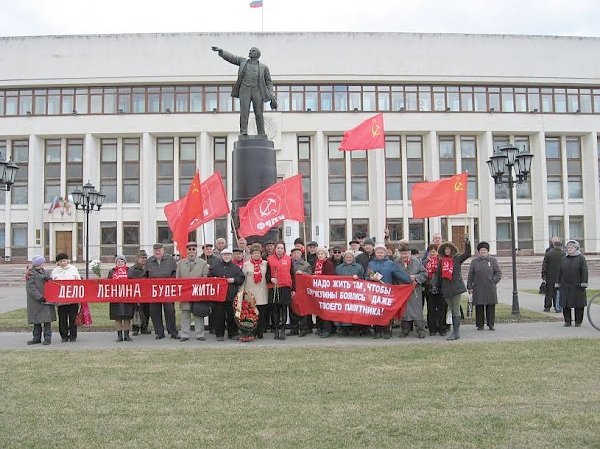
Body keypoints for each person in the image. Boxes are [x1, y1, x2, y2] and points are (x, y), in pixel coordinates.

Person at [211, 46, 277, 136]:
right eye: (250, 50)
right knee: (244, 111)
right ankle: (243, 131)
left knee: (259, 113)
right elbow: (232, 58)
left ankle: (261, 132)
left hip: (257, 91)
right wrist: (222, 52)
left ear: (257, 54)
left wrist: (271, 93)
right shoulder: (243, 61)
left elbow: (269, 82)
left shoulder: (264, 67)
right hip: (245, 89)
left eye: (252, 51)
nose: (250, 52)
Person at [366, 244, 412, 339]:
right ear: (375, 253)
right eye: (378, 252)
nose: (380, 254)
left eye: (381, 252)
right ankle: (377, 330)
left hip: (387, 291)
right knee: (375, 311)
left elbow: (398, 273)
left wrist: (409, 280)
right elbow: (367, 276)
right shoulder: (371, 264)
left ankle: (387, 330)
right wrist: (371, 278)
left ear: (385, 253)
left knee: (386, 311)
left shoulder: (390, 263)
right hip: (375, 291)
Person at [433, 238, 471, 341]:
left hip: (456, 288)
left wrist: (467, 243)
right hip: (446, 289)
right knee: (451, 310)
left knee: (455, 310)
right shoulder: (441, 261)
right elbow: (438, 275)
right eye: (445, 249)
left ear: (452, 250)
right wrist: (435, 286)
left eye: (449, 249)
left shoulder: (457, 259)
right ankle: (454, 331)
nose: (447, 251)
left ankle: (456, 332)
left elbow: (467, 254)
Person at [176, 241, 210, 342]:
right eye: (189, 249)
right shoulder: (181, 263)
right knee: (185, 313)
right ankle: (185, 334)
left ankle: (200, 334)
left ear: (196, 250)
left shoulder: (203, 263)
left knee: (198, 314)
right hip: (185, 292)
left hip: (197, 292)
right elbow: (177, 278)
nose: (191, 251)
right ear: (186, 251)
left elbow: (205, 277)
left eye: (193, 249)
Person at [209, 248, 245, 341]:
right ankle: (219, 334)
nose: (227, 256)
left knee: (232, 315)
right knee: (219, 315)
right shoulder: (215, 267)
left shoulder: (236, 267)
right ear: (221, 256)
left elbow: (241, 278)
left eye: (228, 255)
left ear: (231, 256)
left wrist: (233, 280)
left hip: (231, 295)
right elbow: (209, 278)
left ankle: (233, 333)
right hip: (218, 296)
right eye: (225, 255)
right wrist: (215, 279)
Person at [144, 243, 178, 340]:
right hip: (154, 291)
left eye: (159, 250)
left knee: (170, 311)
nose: (157, 252)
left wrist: (169, 283)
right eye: (155, 250)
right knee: (155, 312)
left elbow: (175, 273)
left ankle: (173, 332)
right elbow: (145, 275)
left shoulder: (170, 259)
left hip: (167, 290)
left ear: (163, 250)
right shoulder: (149, 261)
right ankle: (159, 332)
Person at [467, 241, 502, 331]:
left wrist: (493, 281)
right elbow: (470, 274)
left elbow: (498, 273)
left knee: (490, 306)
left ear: (487, 251)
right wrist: (469, 286)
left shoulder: (493, 260)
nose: (483, 252)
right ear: (479, 251)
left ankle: (491, 324)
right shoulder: (474, 261)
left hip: (490, 287)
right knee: (479, 306)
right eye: (481, 250)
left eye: (484, 250)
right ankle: (480, 325)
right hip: (478, 287)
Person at [396, 243, 428, 338]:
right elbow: (394, 275)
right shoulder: (396, 262)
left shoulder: (417, 261)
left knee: (416, 310)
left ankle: (420, 330)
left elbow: (424, 274)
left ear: (409, 253)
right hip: (402, 290)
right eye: (402, 254)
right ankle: (405, 330)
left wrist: (416, 278)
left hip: (415, 290)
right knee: (404, 310)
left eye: (406, 253)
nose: (404, 256)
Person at [556, 240, 588, 327]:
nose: (569, 249)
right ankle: (567, 321)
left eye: (571, 247)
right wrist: (558, 282)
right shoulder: (564, 258)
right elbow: (559, 271)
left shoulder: (581, 258)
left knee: (579, 305)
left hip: (577, 286)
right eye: (568, 248)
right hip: (565, 285)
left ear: (576, 248)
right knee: (565, 304)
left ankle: (578, 322)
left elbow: (584, 271)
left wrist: (584, 283)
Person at [51, 253, 81, 342]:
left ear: (67, 260)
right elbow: (52, 284)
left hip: (72, 298)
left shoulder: (73, 269)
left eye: (64, 260)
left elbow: (78, 281)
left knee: (72, 318)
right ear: (58, 262)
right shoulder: (55, 271)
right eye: (60, 261)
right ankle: (64, 336)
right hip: (61, 299)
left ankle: (73, 335)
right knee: (62, 318)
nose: (63, 263)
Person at [26, 256, 56, 345]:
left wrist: (49, 280)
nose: (43, 264)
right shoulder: (30, 273)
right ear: (38, 264)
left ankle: (47, 338)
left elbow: (51, 283)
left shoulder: (45, 272)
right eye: (42, 262)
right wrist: (39, 297)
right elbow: (31, 287)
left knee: (47, 320)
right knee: (36, 320)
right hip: (36, 301)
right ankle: (36, 338)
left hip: (47, 299)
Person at [266, 241, 293, 340]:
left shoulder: (289, 259)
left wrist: (293, 288)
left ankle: (283, 330)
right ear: (275, 249)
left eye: (281, 248)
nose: (280, 250)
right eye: (278, 248)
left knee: (284, 309)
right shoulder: (269, 259)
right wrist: (271, 279)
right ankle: (276, 330)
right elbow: (267, 274)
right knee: (275, 310)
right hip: (274, 287)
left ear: (284, 249)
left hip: (285, 287)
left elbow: (292, 273)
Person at [335, 250, 365, 336]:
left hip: (355, 293)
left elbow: (363, 279)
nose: (348, 259)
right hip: (343, 293)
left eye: (350, 257)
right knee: (344, 311)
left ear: (353, 258)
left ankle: (356, 329)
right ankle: (345, 329)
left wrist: (358, 277)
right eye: (347, 257)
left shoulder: (359, 267)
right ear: (344, 258)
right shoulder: (339, 267)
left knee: (355, 310)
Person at [242, 243, 269, 339]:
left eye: (258, 253)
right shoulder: (246, 264)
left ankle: (260, 331)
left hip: (262, 292)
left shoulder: (265, 263)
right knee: (251, 313)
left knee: (261, 313)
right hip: (250, 292)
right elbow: (243, 279)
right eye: (254, 253)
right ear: (251, 254)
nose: (256, 255)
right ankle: (252, 331)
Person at [107, 255, 135, 342]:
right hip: (116, 297)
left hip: (127, 297)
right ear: (116, 263)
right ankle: (119, 335)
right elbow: (107, 283)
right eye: (118, 261)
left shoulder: (129, 271)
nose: (120, 263)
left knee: (127, 316)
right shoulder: (112, 271)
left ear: (125, 262)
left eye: (122, 261)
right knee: (118, 317)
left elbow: (134, 283)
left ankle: (126, 335)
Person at [423, 244, 448, 336]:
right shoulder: (425, 262)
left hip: (440, 288)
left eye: (434, 251)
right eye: (430, 252)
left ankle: (442, 328)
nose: (432, 253)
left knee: (442, 309)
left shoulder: (441, 261)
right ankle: (432, 329)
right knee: (431, 309)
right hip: (429, 288)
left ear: (437, 252)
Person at [312, 247, 337, 338]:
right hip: (317, 290)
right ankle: (320, 327)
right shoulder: (316, 264)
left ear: (326, 255)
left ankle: (327, 329)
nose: (320, 255)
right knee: (318, 309)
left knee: (326, 310)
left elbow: (331, 277)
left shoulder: (328, 264)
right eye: (319, 254)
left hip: (326, 290)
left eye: (322, 253)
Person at [290, 247, 313, 336]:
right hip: (292, 289)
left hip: (302, 290)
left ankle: (304, 329)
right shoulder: (288, 263)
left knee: (302, 310)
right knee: (292, 310)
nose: (296, 255)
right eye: (294, 253)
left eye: (297, 253)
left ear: (301, 255)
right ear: (291, 255)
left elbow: (310, 276)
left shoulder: (306, 265)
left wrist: (303, 273)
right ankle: (294, 329)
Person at [128, 250, 151, 336]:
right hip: (136, 294)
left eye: (145, 258)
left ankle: (144, 327)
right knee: (136, 312)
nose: (144, 259)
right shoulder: (132, 269)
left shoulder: (148, 268)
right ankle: (135, 328)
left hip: (147, 294)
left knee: (146, 311)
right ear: (138, 258)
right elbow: (131, 280)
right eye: (142, 258)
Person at [542, 239, 565, 312]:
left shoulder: (549, 253)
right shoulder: (564, 254)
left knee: (549, 293)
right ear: (561, 246)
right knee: (558, 292)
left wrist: (543, 275)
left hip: (550, 276)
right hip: (560, 277)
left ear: (554, 245)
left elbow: (544, 265)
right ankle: (557, 306)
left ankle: (547, 307)